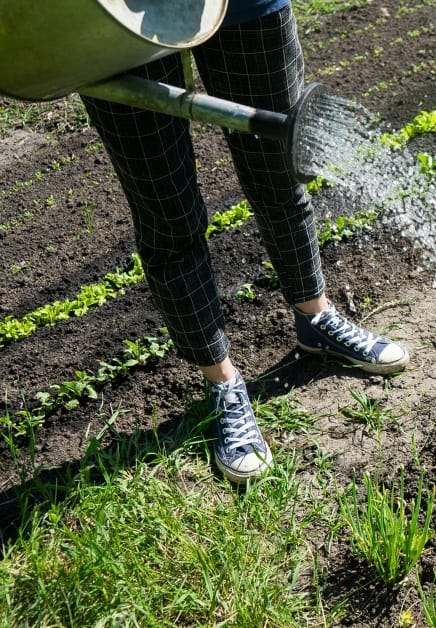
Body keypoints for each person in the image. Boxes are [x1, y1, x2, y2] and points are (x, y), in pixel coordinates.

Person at [81, 0, 409, 484]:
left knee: (279, 172)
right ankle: (225, 385)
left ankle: (316, 319)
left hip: (244, 6)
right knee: (169, 216)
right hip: (112, 25)